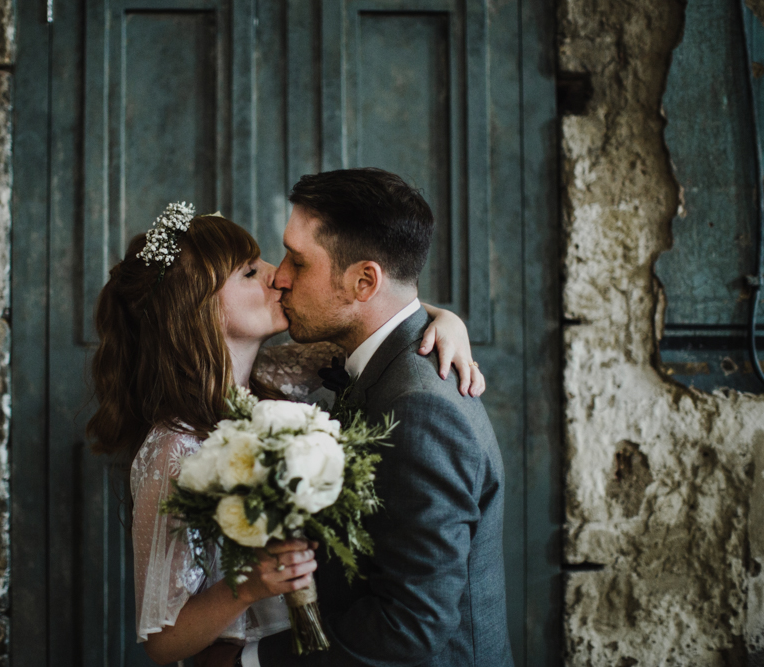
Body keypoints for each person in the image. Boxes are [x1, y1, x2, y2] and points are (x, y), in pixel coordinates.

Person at [86, 209, 484, 666]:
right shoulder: (174, 447)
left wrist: (445, 318)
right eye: (251, 271)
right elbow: (163, 644)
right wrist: (251, 585)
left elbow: (378, 322)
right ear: (196, 304)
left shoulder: (275, 376)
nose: (279, 277)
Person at [199, 168, 513, 667]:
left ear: (364, 280)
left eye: (298, 262)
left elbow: (409, 628)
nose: (279, 276)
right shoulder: (376, 362)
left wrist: (247, 661)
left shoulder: (419, 407)